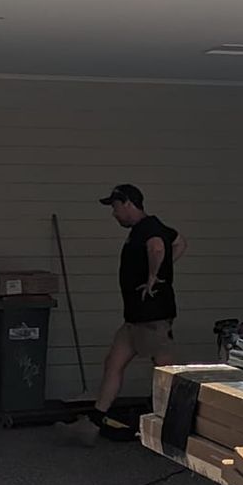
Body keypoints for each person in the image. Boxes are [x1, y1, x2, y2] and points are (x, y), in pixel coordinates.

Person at [70, 184, 187, 444]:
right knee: (114, 362)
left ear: (128, 203)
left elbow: (158, 248)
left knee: (166, 371)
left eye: (115, 207)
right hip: (134, 317)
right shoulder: (144, 230)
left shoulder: (149, 227)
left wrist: (155, 276)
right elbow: (179, 242)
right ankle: (95, 420)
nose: (113, 213)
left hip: (153, 316)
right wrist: (163, 268)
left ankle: (175, 426)